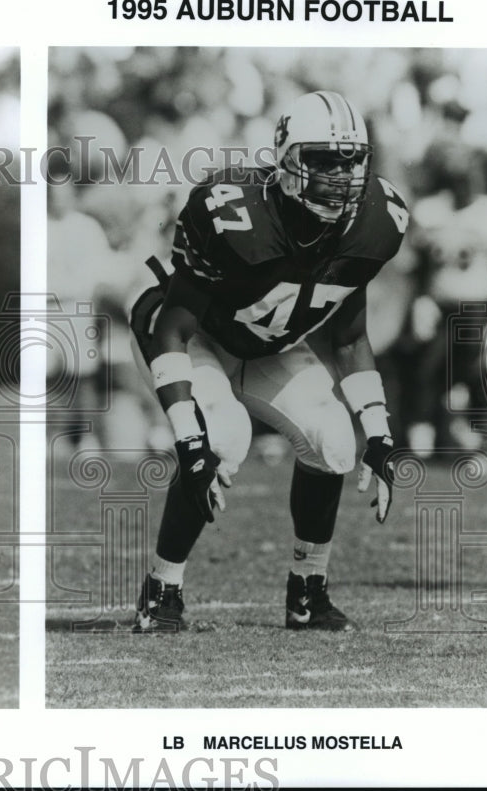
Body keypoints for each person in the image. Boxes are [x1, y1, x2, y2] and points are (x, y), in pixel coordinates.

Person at [130, 91, 405, 632]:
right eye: (323, 160)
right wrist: (186, 437)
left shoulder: (377, 221)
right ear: (285, 160)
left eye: (351, 160)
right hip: (191, 336)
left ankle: (308, 593)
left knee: (334, 440)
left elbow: (349, 337)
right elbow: (173, 327)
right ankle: (162, 592)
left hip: (266, 342)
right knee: (223, 437)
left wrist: (379, 432)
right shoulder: (234, 213)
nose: (340, 176)